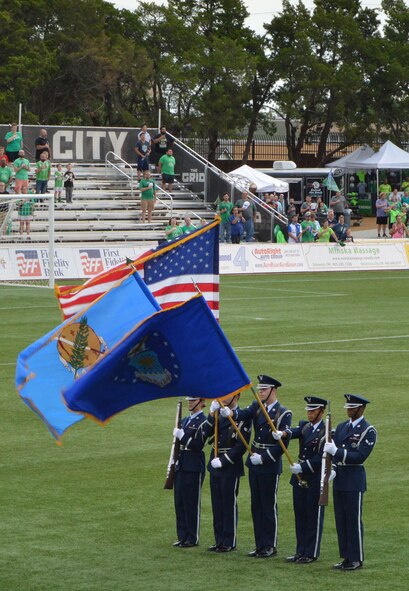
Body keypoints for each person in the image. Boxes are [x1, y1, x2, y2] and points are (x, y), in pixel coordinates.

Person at [227, 375, 292, 558]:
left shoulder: (283, 413)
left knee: (268, 505)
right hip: (254, 461)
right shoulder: (257, 406)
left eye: (264, 389)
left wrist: (263, 458)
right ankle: (259, 544)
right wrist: (230, 413)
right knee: (256, 505)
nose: (260, 392)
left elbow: (283, 446)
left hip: (269, 464)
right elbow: (243, 414)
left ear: (273, 390)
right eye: (260, 389)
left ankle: (270, 545)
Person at [324, 394, 377, 571]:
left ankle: (356, 558)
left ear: (361, 409)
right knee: (341, 520)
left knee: (353, 521)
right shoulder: (341, 427)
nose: (349, 410)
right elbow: (334, 454)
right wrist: (332, 469)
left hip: (354, 480)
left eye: (352, 407)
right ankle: (346, 556)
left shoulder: (368, 430)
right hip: (340, 479)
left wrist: (336, 451)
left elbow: (360, 456)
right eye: (348, 407)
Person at [203, 394, 251, 552]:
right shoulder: (217, 413)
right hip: (214, 463)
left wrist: (223, 461)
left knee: (228, 504)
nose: (223, 398)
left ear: (236, 397)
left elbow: (241, 446)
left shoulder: (243, 417)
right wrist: (211, 414)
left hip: (230, 466)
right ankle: (219, 540)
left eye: (227, 396)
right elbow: (205, 433)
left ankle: (229, 541)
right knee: (217, 504)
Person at [286, 396, 329, 564]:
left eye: (313, 410)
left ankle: (311, 552)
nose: (310, 413)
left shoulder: (326, 432)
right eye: (308, 410)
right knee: (300, 515)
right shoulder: (305, 426)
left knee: (313, 516)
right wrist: (282, 433)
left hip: (314, 478)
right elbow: (293, 432)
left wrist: (302, 467)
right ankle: (300, 550)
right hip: (299, 477)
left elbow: (321, 458)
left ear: (321, 411)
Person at [172, 397, 207, 548]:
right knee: (179, 501)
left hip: (193, 464)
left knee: (191, 502)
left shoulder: (204, 421)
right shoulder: (185, 420)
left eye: (193, 401)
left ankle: (192, 537)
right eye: (189, 401)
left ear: (201, 402)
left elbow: (198, 444)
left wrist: (182, 436)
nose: (190, 403)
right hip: (182, 462)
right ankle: (182, 536)